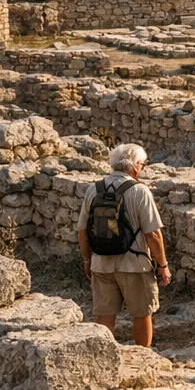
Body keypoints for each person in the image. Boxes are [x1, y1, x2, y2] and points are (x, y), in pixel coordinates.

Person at [77, 143, 171, 347]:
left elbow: (82, 231)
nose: (142, 169)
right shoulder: (139, 191)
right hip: (134, 264)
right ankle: (142, 359)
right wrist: (162, 265)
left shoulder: (94, 189)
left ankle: (102, 357)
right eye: (143, 164)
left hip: (101, 263)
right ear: (135, 165)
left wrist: (87, 259)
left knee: (105, 315)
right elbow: (153, 233)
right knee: (142, 313)